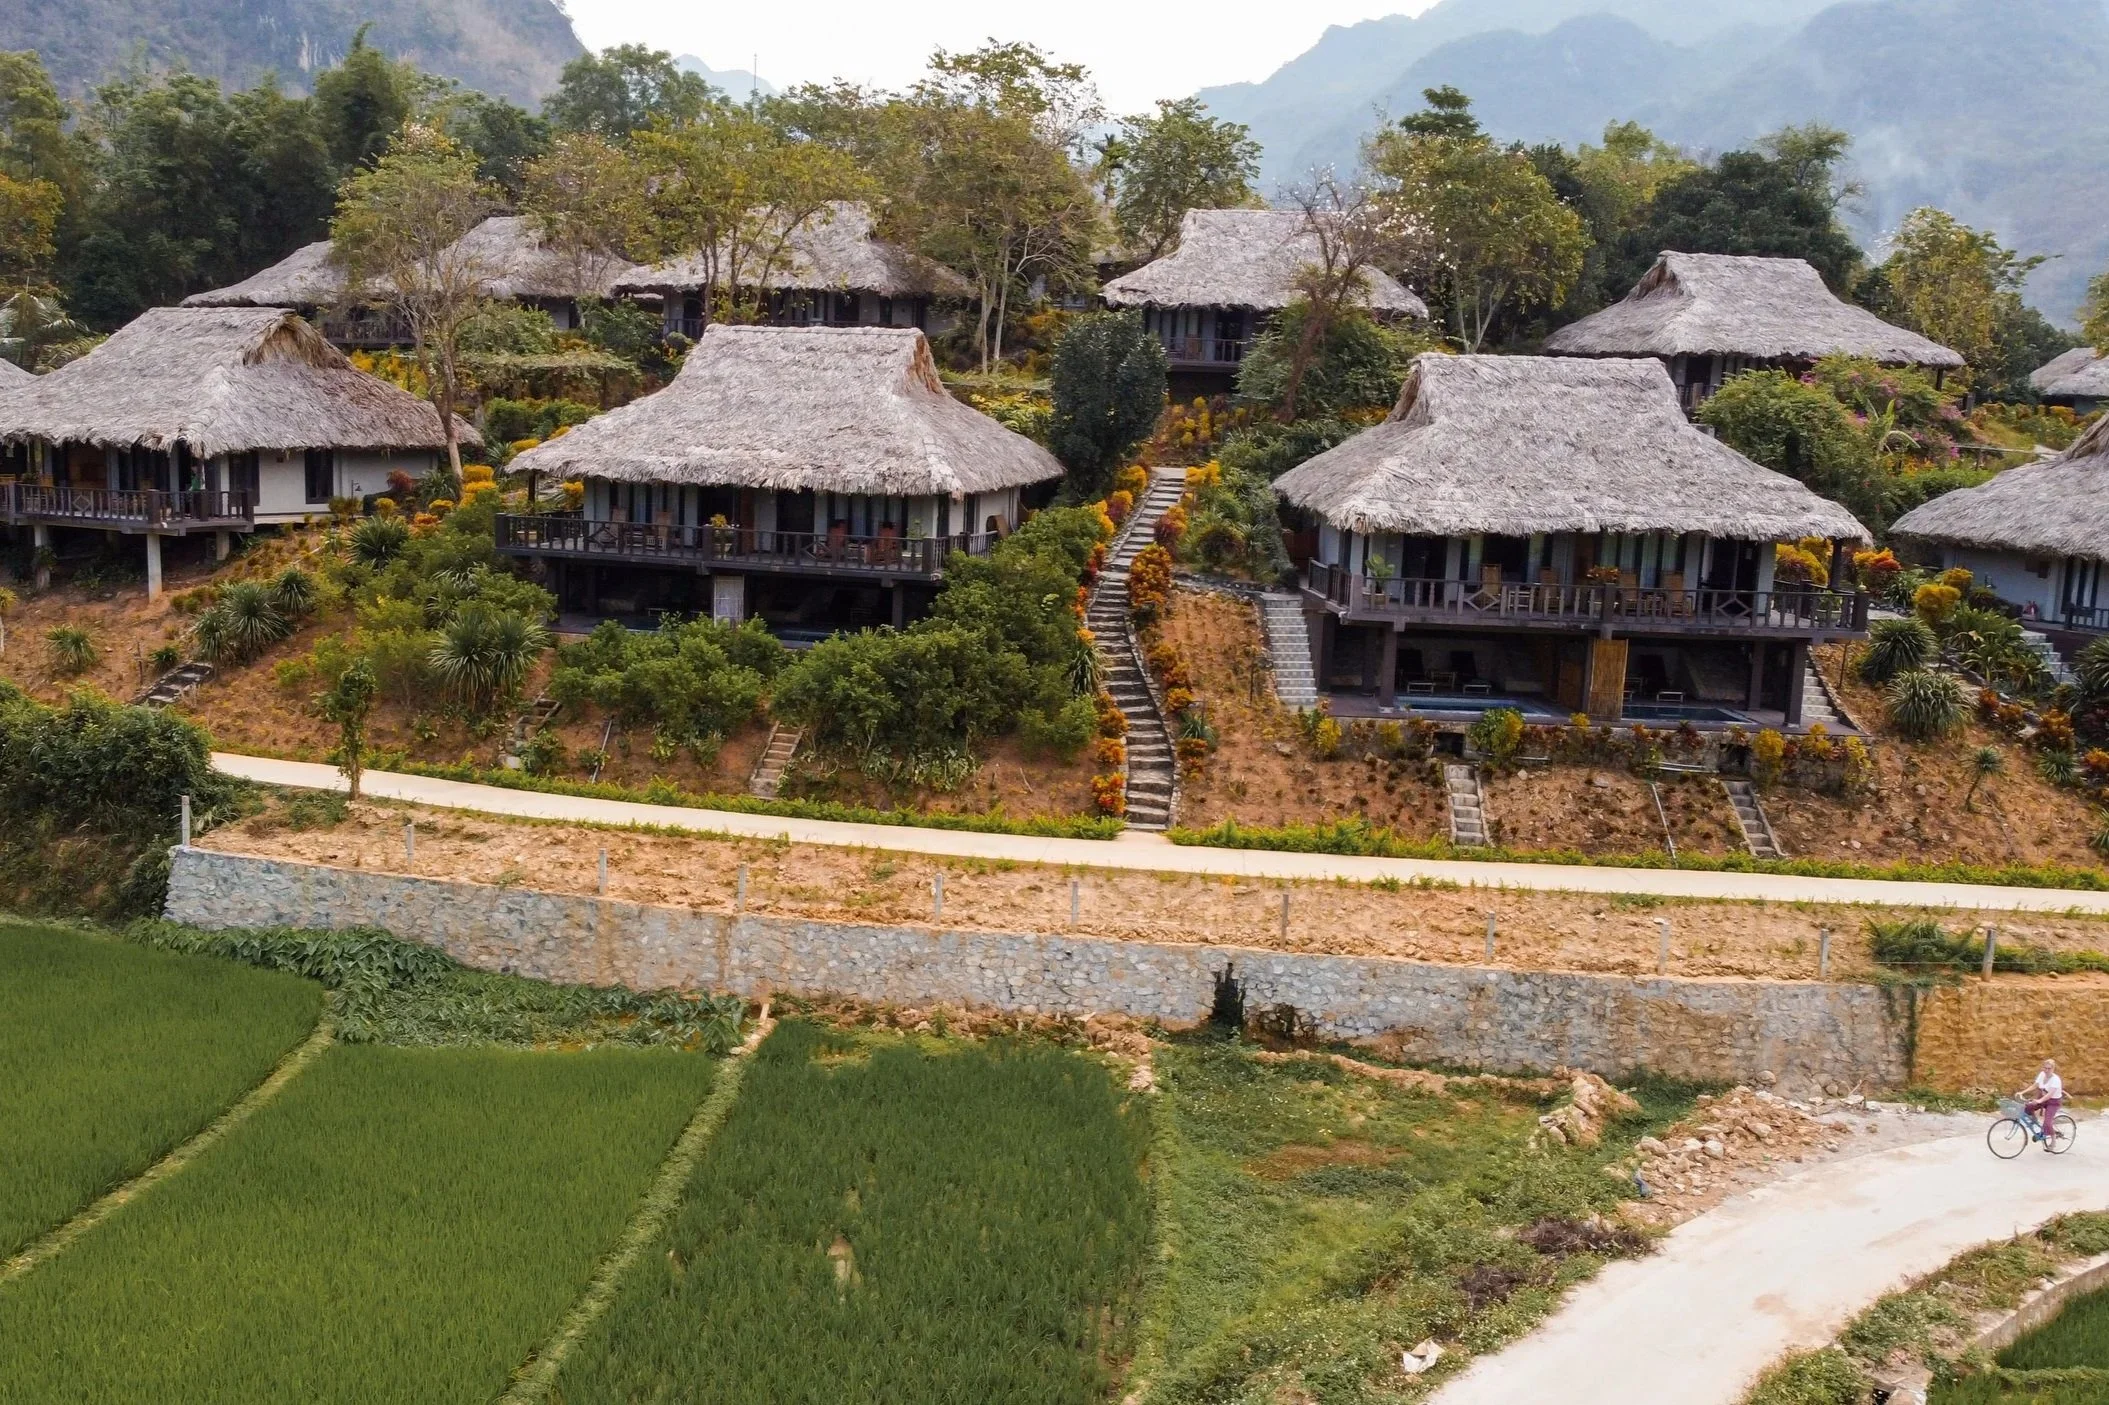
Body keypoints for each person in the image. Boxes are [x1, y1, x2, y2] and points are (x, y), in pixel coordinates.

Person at [2020, 1059, 2064, 1149]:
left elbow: (2050, 1094)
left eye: (2049, 1068)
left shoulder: (2056, 1080)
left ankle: (2053, 1139)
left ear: (2053, 1069)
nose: (2047, 1070)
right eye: (2045, 1068)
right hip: (2043, 1098)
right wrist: (2022, 1092)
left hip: (2053, 1102)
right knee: (2028, 1107)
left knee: (2047, 1122)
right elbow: (2035, 1085)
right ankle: (2034, 1121)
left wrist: (2039, 1101)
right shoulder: (2042, 1074)